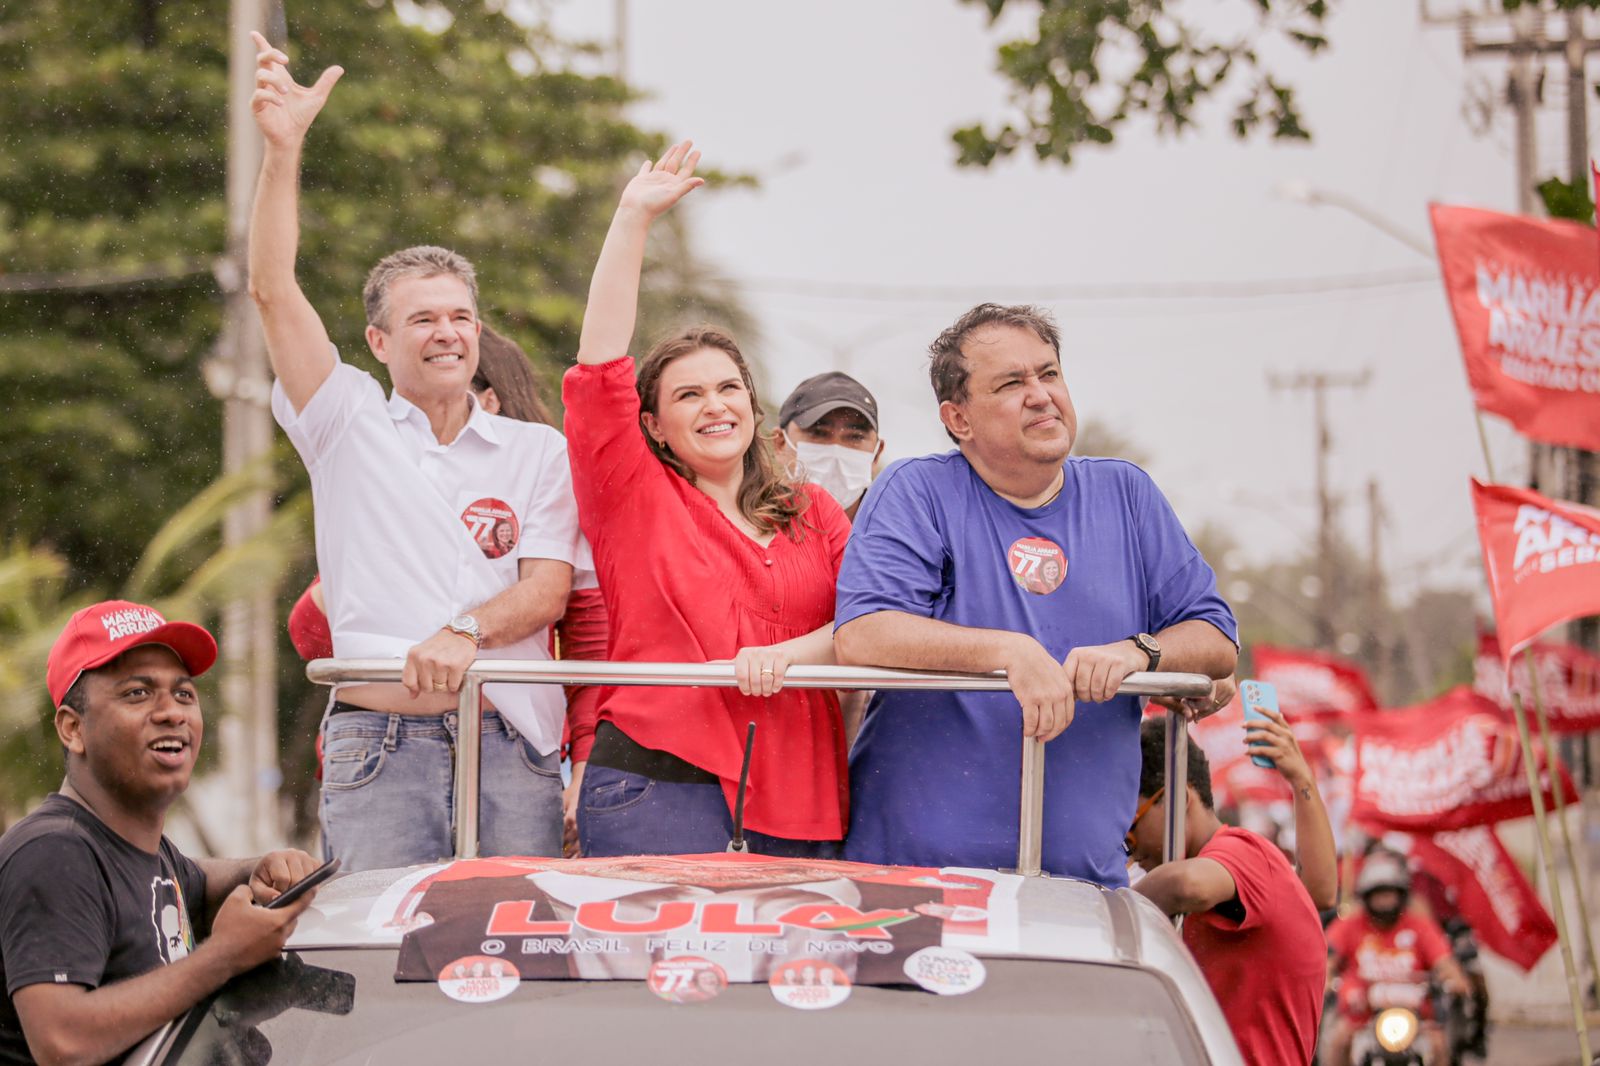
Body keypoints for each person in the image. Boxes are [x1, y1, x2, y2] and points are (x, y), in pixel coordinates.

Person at [248, 36, 583, 869]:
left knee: (518, 959)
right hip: (379, 743)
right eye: (424, 319)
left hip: (513, 743)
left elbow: (546, 589)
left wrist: (462, 631)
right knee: (382, 968)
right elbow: (271, 287)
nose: (448, 333)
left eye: (461, 317)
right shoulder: (344, 419)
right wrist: (283, 151)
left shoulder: (538, 449)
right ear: (378, 340)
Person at [834, 302, 1238, 883]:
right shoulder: (916, 490)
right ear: (959, 419)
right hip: (913, 884)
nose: (1041, 394)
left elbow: (1215, 637)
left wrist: (1136, 653)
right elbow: (865, 634)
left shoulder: (1126, 494)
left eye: (1049, 373)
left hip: (1082, 887)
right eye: (1010, 383)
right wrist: (1010, 652)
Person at [562, 141, 853, 857]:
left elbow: (873, 620)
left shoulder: (814, 511)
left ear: (754, 406)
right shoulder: (632, 496)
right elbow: (599, 365)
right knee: (652, 973)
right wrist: (632, 218)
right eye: (688, 395)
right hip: (658, 786)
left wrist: (787, 655)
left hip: (800, 793)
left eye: (729, 389)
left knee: (794, 972)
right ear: (653, 426)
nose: (715, 406)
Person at [1, 601, 321, 1066]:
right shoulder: (54, 852)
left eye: (184, 694)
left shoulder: (148, 854)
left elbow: (198, 881)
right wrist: (225, 957)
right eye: (137, 694)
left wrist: (261, 868)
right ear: (73, 729)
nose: (171, 712)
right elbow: (62, 1041)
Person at [1127, 718, 1325, 1066]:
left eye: (1131, 829)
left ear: (1178, 800)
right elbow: (1319, 892)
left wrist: (1110, 911)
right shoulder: (1249, 875)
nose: (1130, 849)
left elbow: (1189, 885)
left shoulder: (1244, 852)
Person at [1325, 851, 1470, 1066]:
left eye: (1389, 894)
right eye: (1378, 895)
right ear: (1366, 896)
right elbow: (1328, 959)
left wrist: (1454, 980)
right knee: (1338, 1041)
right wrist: (1326, 980)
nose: (1384, 902)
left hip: (1416, 1020)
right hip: (1362, 1018)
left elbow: (1444, 962)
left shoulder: (1419, 926)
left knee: (1439, 1046)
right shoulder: (1350, 925)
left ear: (1401, 895)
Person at [769, 371, 886, 520]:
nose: (836, 449)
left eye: (855, 437)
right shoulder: (750, 531)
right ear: (780, 443)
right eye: (819, 433)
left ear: (876, 454)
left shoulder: (899, 535)